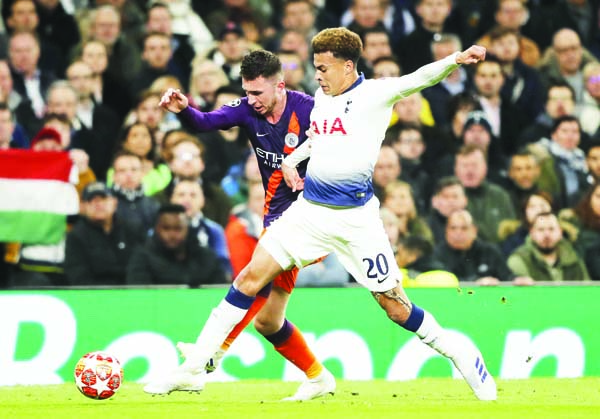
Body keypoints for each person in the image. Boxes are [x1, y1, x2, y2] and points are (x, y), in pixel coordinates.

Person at [150, 28, 496, 401]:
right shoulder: (323, 98)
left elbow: (418, 78)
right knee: (250, 277)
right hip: (310, 213)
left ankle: (461, 353)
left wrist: (454, 60)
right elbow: (318, 138)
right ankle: (195, 367)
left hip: (357, 222)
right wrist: (292, 162)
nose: (317, 75)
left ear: (348, 67)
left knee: (395, 308)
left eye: (324, 68)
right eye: (315, 67)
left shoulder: (375, 95)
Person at [147, 49, 332, 400]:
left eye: (258, 93)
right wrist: (184, 109)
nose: (252, 100)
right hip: (276, 216)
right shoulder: (247, 109)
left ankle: (198, 365)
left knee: (250, 280)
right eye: (247, 92)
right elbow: (204, 122)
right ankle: (318, 377)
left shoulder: (309, 110)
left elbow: (341, 151)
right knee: (267, 319)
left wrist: (318, 180)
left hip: (313, 217)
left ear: (280, 86)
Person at [126, 204, 227, 287]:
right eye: (166, 228)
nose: (172, 235)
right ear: (156, 229)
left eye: (178, 229)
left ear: (187, 229)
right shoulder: (142, 258)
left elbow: (219, 291)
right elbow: (138, 296)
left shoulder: (206, 257)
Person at [507, 211, 590, 283]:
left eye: (551, 229)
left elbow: (588, 291)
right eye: (541, 229)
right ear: (532, 233)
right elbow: (507, 298)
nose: (546, 235)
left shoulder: (574, 257)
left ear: (560, 232)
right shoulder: (519, 259)